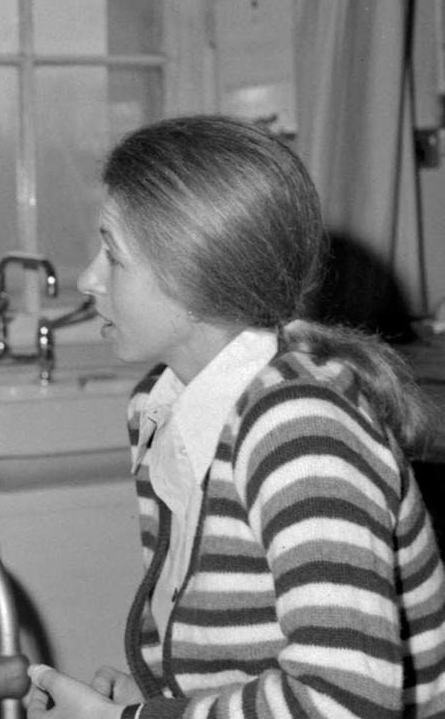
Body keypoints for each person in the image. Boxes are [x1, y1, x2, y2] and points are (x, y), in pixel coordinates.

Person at [23, 115, 445, 719]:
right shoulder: (161, 408)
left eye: (112, 256)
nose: (89, 279)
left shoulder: (300, 430)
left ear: (194, 280)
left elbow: (346, 701)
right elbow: (245, 644)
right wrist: (166, 699)